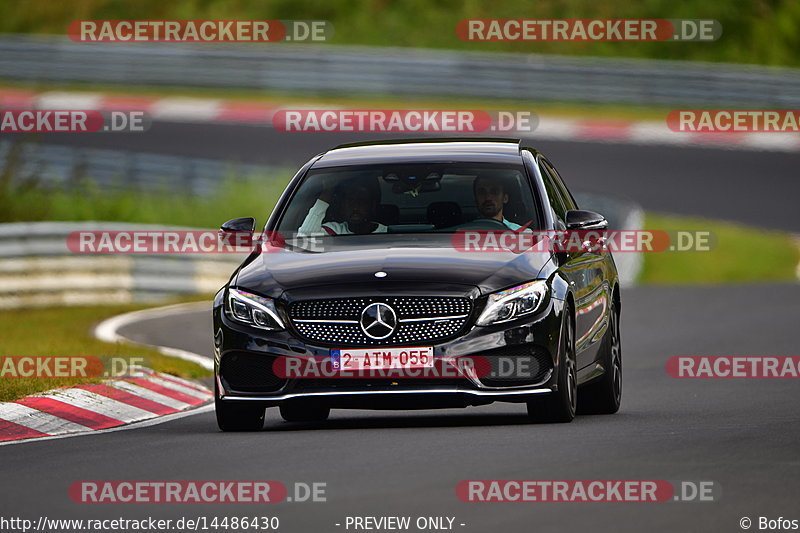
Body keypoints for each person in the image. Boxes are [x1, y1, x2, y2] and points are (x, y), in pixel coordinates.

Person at [298, 176, 388, 236]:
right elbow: (305, 236)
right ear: (342, 206)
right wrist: (327, 192)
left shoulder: (387, 232)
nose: (355, 207)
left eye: (361, 201)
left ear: (372, 206)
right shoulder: (335, 231)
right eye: (350, 201)